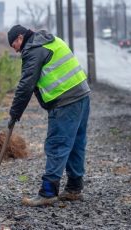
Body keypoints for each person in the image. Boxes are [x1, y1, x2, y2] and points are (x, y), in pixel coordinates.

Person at [7, 25, 91, 206]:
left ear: (21, 37)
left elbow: (26, 85)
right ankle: (74, 189)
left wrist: (14, 113)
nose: (14, 49)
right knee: (76, 143)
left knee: (57, 145)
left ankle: (47, 193)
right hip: (82, 94)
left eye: (13, 43)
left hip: (65, 100)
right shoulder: (51, 40)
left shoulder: (33, 51)